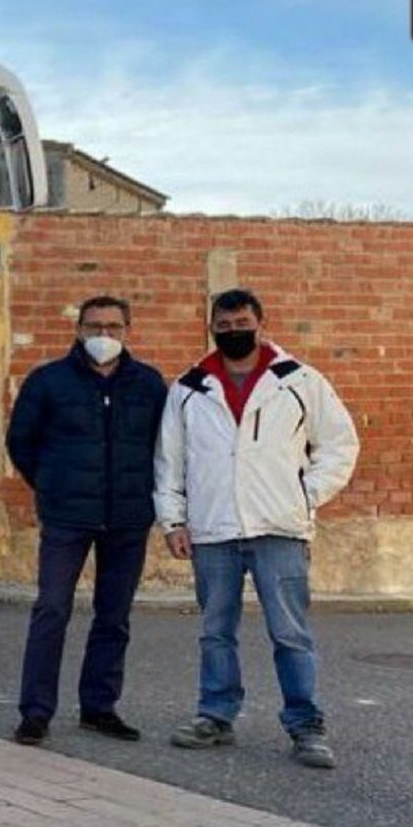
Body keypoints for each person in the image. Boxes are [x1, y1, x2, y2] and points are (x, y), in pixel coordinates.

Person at [154, 288, 359, 769]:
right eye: (223, 326)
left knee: (291, 633)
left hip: (279, 528)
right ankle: (215, 716)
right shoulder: (188, 387)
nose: (233, 332)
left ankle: (306, 726)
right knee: (215, 631)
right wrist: (174, 521)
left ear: (260, 323)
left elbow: (340, 445)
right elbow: (170, 462)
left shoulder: (298, 380)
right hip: (213, 531)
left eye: (241, 322)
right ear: (212, 329)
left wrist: (303, 494)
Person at [7, 295, 167, 745]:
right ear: (78, 330)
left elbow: (166, 447)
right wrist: (51, 484)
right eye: (94, 326)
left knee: (113, 617)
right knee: (52, 609)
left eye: (113, 327)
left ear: (127, 331)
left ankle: (99, 706)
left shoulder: (149, 384)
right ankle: (36, 712)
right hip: (66, 516)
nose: (104, 336)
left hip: (128, 516)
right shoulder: (48, 382)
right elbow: (21, 441)